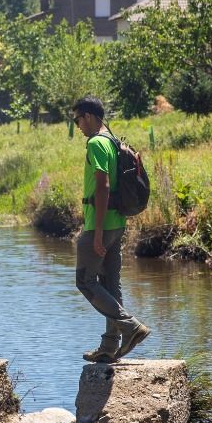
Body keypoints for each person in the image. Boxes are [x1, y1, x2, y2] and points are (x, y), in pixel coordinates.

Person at [71, 97, 150, 363]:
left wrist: (96, 233)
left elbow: (103, 186)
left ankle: (131, 327)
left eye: (78, 119)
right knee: (109, 283)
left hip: (101, 225)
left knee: (85, 281)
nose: (78, 125)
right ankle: (109, 346)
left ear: (90, 116)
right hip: (117, 223)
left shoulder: (96, 143)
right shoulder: (113, 141)